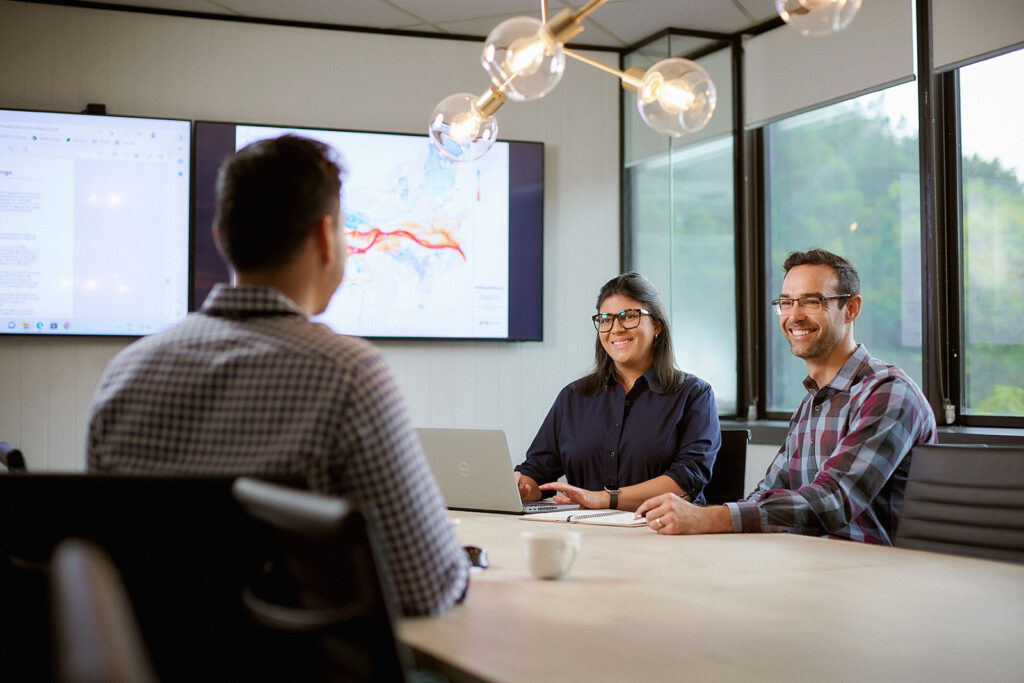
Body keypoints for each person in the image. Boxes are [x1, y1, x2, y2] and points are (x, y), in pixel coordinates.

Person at [86, 135, 469, 616]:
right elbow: (423, 588)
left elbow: (102, 571)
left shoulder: (125, 373)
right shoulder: (348, 375)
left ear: (221, 236)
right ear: (325, 237)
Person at [636, 248, 937, 544]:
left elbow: (832, 502)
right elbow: (767, 491)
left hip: (872, 575)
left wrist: (709, 518)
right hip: (806, 562)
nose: (794, 315)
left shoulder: (887, 392)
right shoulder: (811, 403)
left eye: (811, 301)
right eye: (786, 302)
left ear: (852, 309)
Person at [514, 272, 721, 511]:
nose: (616, 328)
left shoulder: (694, 395)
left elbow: (687, 479)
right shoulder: (573, 397)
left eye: (629, 316)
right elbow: (536, 471)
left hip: (662, 532)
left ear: (657, 325)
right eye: (605, 319)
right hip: (585, 532)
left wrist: (604, 499)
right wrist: (522, 487)